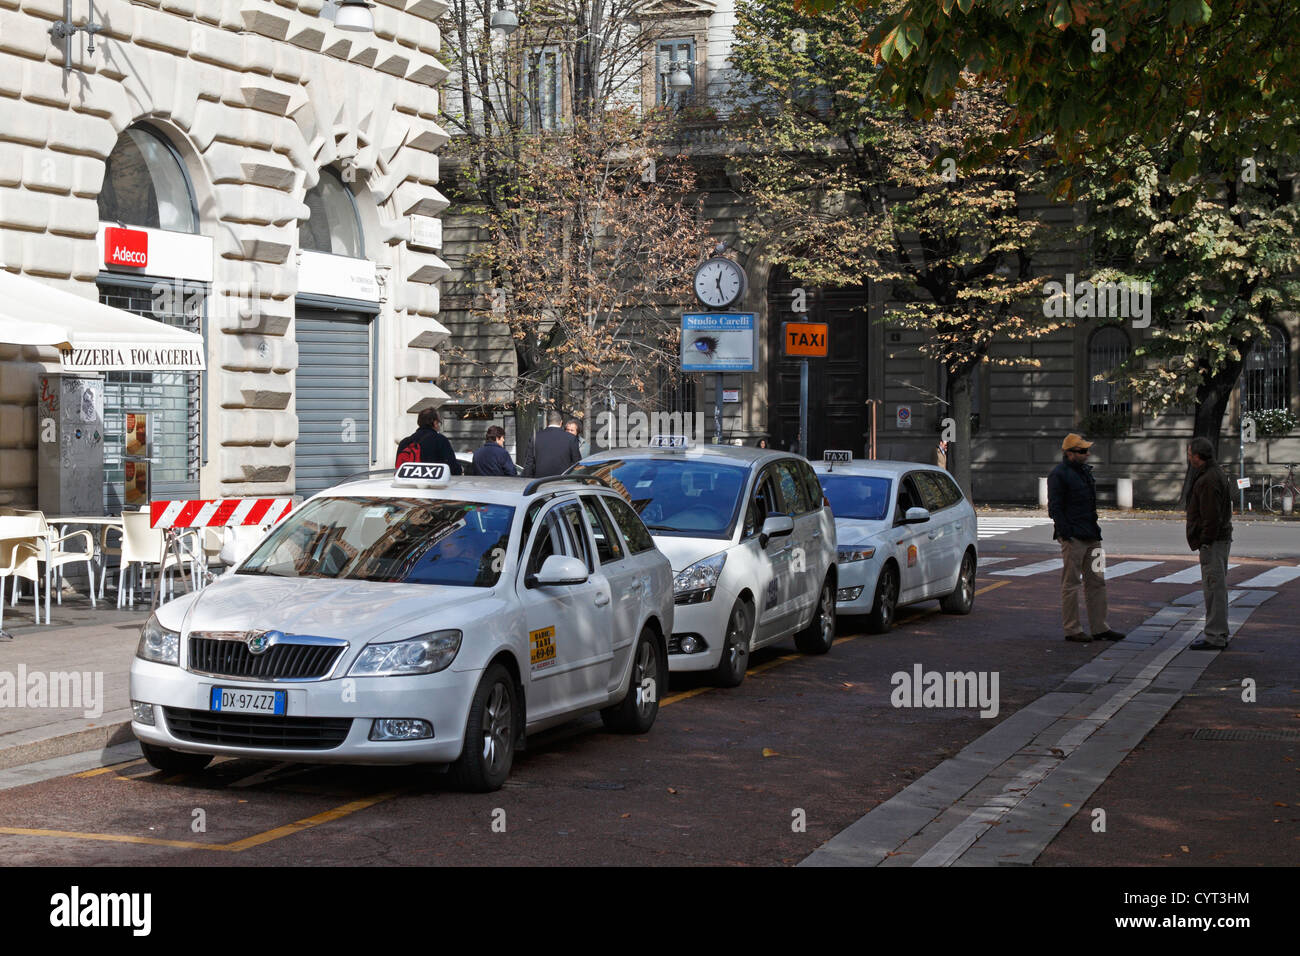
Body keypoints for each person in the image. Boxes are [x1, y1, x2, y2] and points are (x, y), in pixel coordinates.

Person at [1047, 432, 1124, 643]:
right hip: (1074, 537)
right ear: (1070, 453)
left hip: (1092, 534)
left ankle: (1100, 627)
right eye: (1082, 451)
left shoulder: (1084, 472)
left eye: (1087, 450)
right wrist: (1066, 534)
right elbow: (1055, 508)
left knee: (1097, 581)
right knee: (1071, 583)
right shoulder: (1059, 474)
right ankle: (1072, 629)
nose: (1087, 453)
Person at [1185, 437, 1234, 649]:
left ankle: (1215, 636)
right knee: (1216, 588)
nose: (1188, 457)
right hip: (1218, 539)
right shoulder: (1214, 474)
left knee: (1214, 588)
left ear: (1197, 456)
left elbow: (1211, 516)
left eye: (1189, 453)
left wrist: (1204, 541)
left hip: (1213, 542)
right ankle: (1218, 632)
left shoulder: (1208, 479)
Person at [394, 408, 461, 474]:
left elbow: (398, 469)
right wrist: (460, 469)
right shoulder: (440, 440)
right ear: (435, 423)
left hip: (408, 483)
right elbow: (452, 468)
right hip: (434, 483)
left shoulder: (404, 442)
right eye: (439, 423)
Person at [521, 410, 581, 478]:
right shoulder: (571, 438)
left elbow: (529, 463)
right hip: (562, 482)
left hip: (540, 482)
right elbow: (576, 463)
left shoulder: (535, 437)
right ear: (561, 422)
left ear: (547, 422)